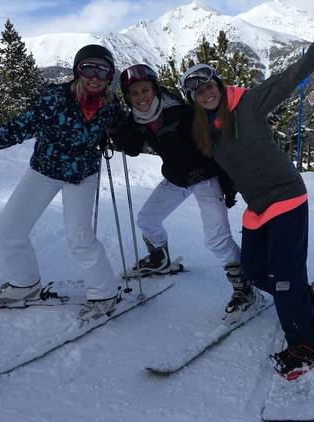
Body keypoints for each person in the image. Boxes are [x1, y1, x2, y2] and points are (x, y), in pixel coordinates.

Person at [181, 18, 314, 379]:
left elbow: (293, 74)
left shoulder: (249, 104)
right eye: (196, 91)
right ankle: (306, 299)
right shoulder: (203, 132)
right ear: (193, 100)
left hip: (287, 196)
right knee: (257, 271)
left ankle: (308, 346)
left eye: (208, 84)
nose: (205, 92)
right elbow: (227, 166)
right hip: (257, 207)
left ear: (217, 84)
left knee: (285, 278)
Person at [108, 64, 254, 321]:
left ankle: (245, 287)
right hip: (176, 178)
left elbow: (213, 146)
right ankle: (159, 259)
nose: (141, 97)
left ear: (155, 89)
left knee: (216, 239)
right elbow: (130, 147)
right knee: (147, 219)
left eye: (145, 90)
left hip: (204, 177)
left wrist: (227, 183)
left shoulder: (179, 113)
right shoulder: (138, 118)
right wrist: (111, 128)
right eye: (134, 93)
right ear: (127, 97)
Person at [0, 44, 123, 321]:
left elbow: (130, 129)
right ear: (77, 70)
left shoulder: (110, 106)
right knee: (9, 228)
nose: (94, 76)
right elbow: (18, 128)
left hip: (82, 176)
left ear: (109, 75)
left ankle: (104, 292)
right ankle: (25, 284)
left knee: (79, 235)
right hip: (44, 170)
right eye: (88, 68)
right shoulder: (53, 98)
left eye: (101, 70)